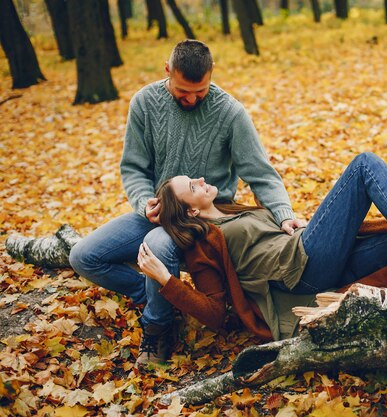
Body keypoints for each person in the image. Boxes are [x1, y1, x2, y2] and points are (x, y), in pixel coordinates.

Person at [69, 40, 303, 365]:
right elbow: (134, 168)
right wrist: (143, 201)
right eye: (183, 91)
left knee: (157, 246)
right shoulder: (144, 103)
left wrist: (283, 214)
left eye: (200, 91)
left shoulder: (230, 112)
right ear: (168, 70)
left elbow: (260, 173)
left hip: (201, 219)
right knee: (83, 256)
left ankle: (158, 327)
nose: (192, 98)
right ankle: (164, 297)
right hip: (155, 213)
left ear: (211, 75)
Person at [137, 152, 387, 362]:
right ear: (191, 212)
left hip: (310, 251)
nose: (200, 180)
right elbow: (216, 313)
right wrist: (167, 282)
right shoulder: (204, 244)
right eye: (192, 187)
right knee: (364, 164)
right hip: (302, 270)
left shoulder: (233, 210)